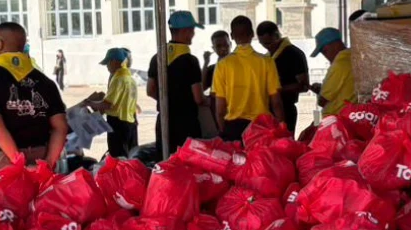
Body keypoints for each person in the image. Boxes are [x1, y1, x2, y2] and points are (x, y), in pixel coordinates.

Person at [0, 22, 67, 171]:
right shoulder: (45, 82)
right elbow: (61, 127)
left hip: (6, 158)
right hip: (41, 156)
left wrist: (19, 163)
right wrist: (48, 163)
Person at [212, 15, 283, 142]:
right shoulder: (267, 62)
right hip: (262, 127)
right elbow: (276, 102)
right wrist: (281, 127)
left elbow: (220, 109)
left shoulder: (222, 65)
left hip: (233, 128)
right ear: (252, 34)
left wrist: (224, 130)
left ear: (232, 36)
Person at [147, 11, 205, 156]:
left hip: (164, 123)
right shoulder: (190, 61)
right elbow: (198, 98)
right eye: (192, 30)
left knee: (166, 163)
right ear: (185, 31)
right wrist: (209, 101)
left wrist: (167, 100)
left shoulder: (157, 57)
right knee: (187, 164)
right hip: (186, 124)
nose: (193, 34)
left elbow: (150, 90)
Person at [256, 20, 310, 135]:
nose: (266, 47)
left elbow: (304, 86)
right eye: (262, 44)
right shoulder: (267, 57)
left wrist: (276, 90)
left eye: (268, 43)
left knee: (285, 142)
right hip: (267, 111)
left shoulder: (294, 54)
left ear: (277, 36)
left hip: (286, 109)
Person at [86, 47, 138, 158]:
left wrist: (89, 103)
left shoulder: (118, 79)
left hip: (118, 124)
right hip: (130, 123)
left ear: (114, 61)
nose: (107, 67)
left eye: (107, 63)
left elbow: (108, 104)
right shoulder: (130, 79)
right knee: (130, 156)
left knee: (118, 157)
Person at [313, 27, 355, 118]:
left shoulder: (339, 64)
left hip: (337, 119)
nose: (325, 56)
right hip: (350, 116)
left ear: (335, 44)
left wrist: (319, 92)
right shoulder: (353, 57)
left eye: (325, 51)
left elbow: (322, 101)